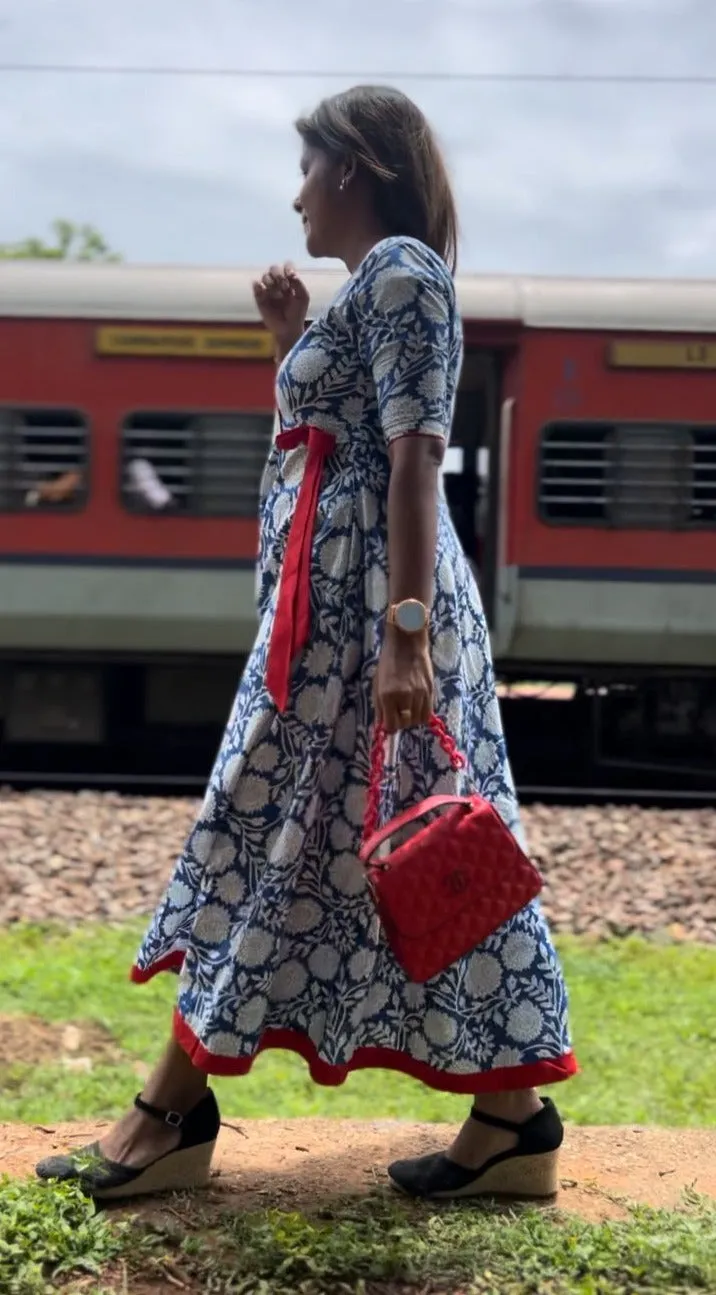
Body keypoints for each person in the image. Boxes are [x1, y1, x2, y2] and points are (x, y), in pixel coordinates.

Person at [36, 84, 576, 1203]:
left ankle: (169, 1109)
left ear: (354, 167)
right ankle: (512, 1120)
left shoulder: (403, 273)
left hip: (364, 631)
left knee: (291, 840)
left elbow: (416, 455)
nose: (293, 198)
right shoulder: (361, 293)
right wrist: (289, 343)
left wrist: (406, 638)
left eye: (304, 169)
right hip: (323, 628)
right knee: (401, 849)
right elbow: (326, 444)